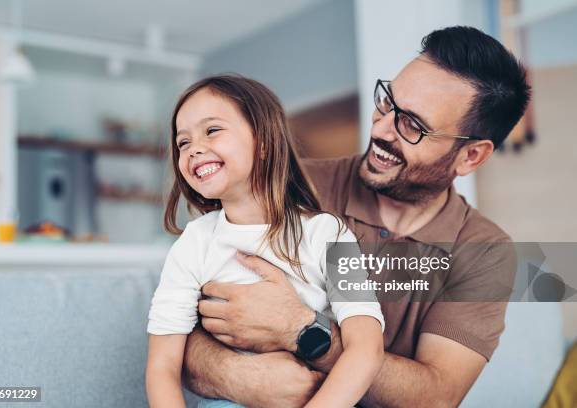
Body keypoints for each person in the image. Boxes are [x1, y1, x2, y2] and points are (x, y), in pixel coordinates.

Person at [182, 26, 531, 407]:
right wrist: (238, 377)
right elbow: (181, 335)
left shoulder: (483, 251)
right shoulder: (292, 187)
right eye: (387, 103)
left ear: (471, 156)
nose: (380, 129)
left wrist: (302, 331)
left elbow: (435, 397)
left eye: (412, 125)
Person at [145, 75, 385, 408]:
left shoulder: (330, 234)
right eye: (183, 142)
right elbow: (162, 367)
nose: (194, 148)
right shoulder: (192, 244)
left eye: (212, 130)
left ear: (264, 143)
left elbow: (366, 349)